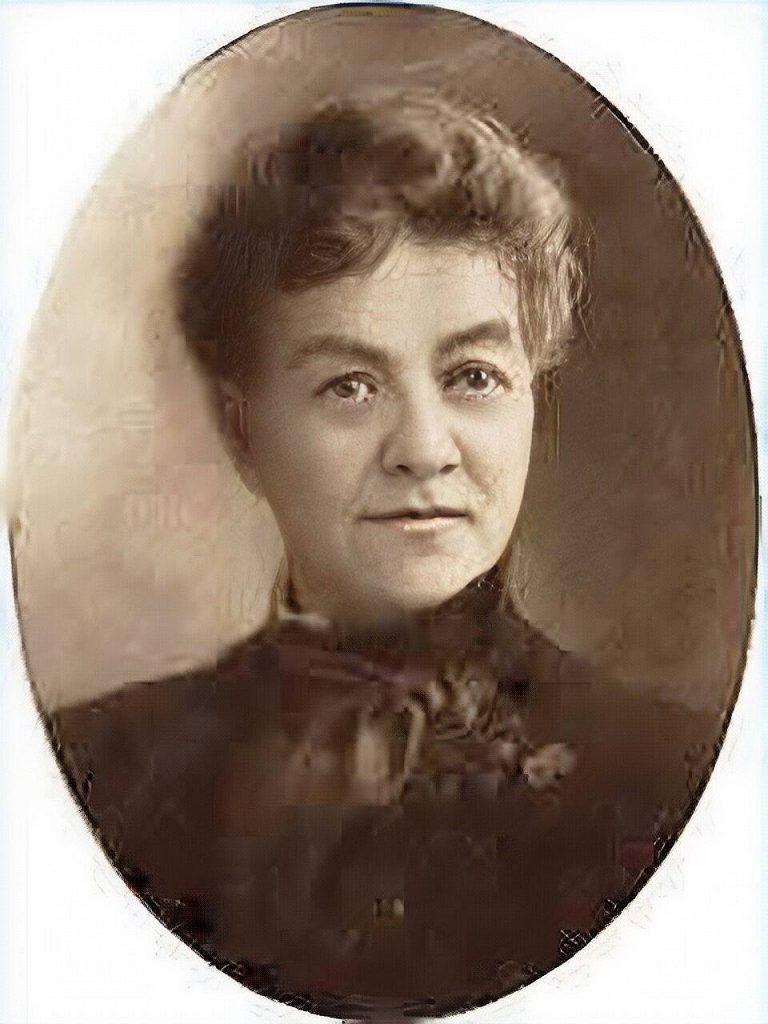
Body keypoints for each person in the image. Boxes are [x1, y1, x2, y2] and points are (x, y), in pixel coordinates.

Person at [46, 87, 723, 1018]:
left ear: (530, 399)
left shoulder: (678, 775)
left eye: (473, 376)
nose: (425, 449)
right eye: (351, 386)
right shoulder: (93, 774)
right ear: (245, 435)